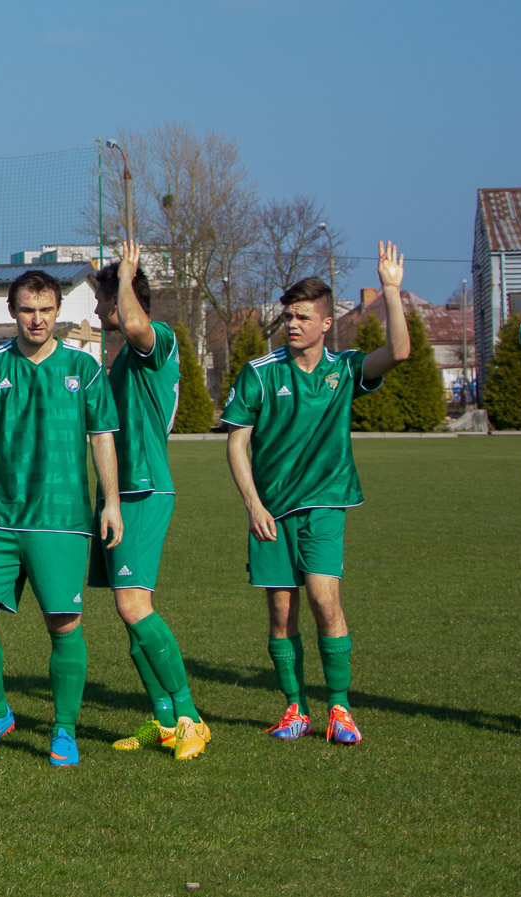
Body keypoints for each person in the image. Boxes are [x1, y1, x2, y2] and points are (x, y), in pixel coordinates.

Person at [221, 242, 410, 745]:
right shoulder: (261, 372)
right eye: (288, 316)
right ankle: (294, 708)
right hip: (270, 511)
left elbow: (401, 353)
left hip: (325, 503)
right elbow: (237, 442)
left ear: (326, 323)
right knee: (281, 611)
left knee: (326, 601)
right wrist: (253, 504)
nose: (292, 324)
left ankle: (341, 708)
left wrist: (390, 289)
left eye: (303, 316)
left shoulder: (345, 370)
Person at [0, 269, 123, 766]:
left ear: (57, 313)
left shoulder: (84, 369)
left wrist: (110, 502)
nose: (37, 319)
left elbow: (102, 437)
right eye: (28, 309)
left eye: (46, 310)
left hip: (61, 519)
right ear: (13, 312)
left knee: (63, 624)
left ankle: (64, 729)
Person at [86, 242, 209, 760]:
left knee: (134, 605)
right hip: (120, 493)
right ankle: (162, 719)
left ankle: (190, 717)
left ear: (123, 301)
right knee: (129, 608)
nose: (95, 310)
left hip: (144, 489)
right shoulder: (120, 361)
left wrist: (128, 276)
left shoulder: (157, 342)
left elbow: (136, 327)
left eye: (102, 300)